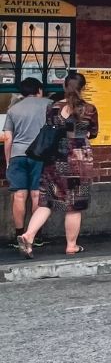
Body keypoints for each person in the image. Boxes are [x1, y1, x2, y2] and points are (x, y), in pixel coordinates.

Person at [15, 72, 97, 258]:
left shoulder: (52, 107)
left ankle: (28, 235)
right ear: (83, 88)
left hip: (54, 160)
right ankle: (71, 245)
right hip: (78, 161)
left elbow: (52, 129)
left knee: (47, 201)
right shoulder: (89, 109)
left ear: (63, 86)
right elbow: (92, 133)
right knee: (74, 206)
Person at [4, 77, 52, 247]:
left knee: (19, 195)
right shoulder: (49, 105)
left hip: (18, 155)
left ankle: (19, 234)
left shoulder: (13, 109)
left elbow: (8, 138)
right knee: (36, 194)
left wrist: (9, 160)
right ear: (39, 90)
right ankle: (35, 235)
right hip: (40, 155)